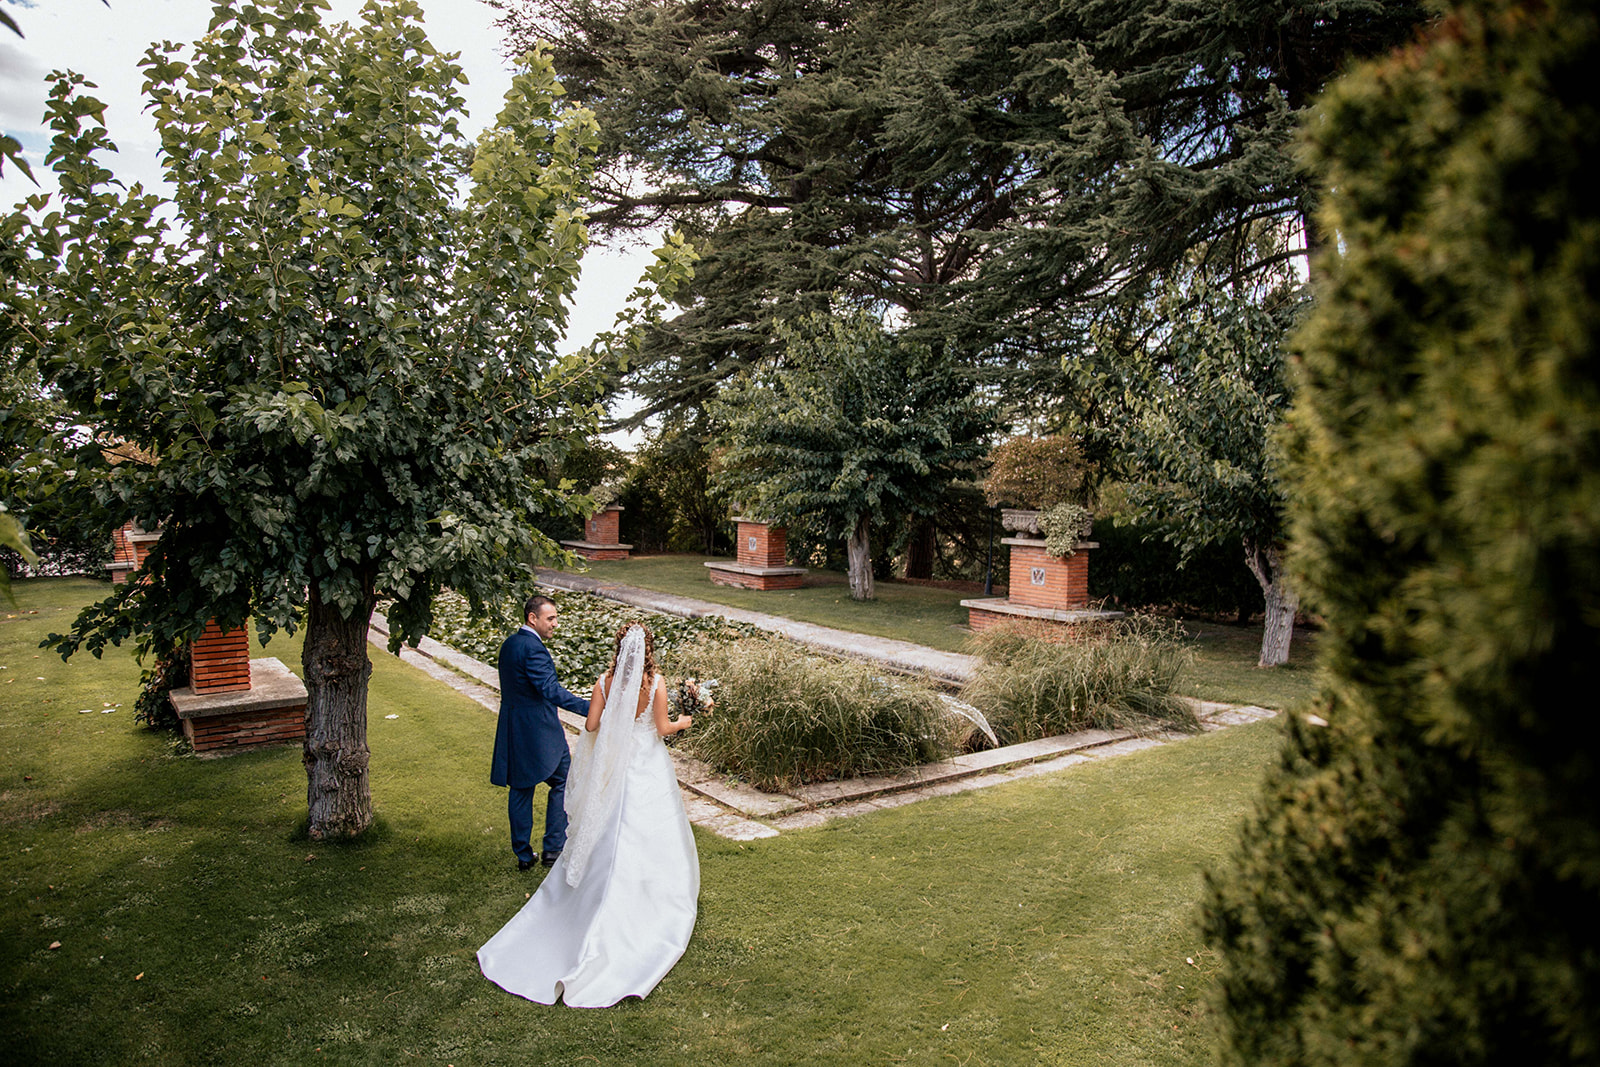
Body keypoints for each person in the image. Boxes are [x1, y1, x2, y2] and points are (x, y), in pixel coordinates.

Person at [478, 622, 699, 1007]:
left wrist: (613, 725)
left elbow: (592, 725)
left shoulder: (604, 681)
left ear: (618, 648)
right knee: (648, 830)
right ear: (648, 649)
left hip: (613, 767)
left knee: (607, 828)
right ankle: (650, 897)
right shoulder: (657, 682)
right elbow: (662, 728)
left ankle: (595, 896)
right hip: (647, 766)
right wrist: (685, 721)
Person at [490, 594, 591, 872]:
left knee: (521, 789)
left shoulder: (510, 644)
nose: (555, 624)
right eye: (551, 618)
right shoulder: (534, 649)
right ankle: (553, 847)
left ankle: (524, 855)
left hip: (513, 728)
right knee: (564, 781)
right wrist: (590, 708)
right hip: (540, 731)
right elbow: (550, 691)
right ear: (532, 618)